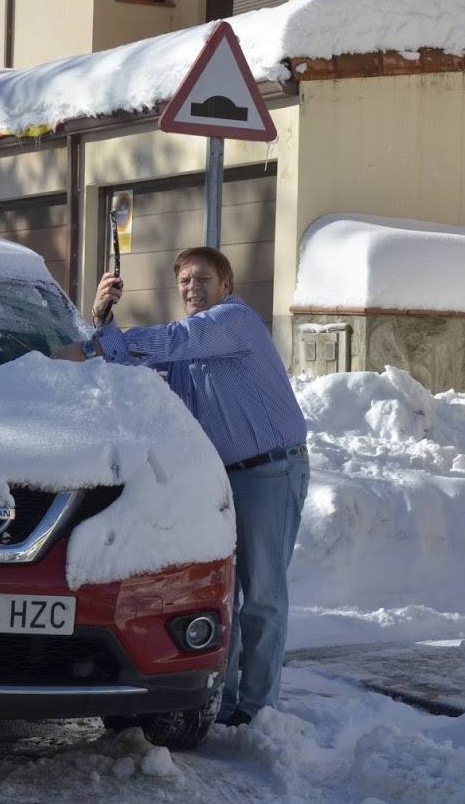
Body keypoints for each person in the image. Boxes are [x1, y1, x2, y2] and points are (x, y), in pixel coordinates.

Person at [51, 247, 309, 727]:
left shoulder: (233, 321)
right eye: (185, 280)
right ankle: (225, 701)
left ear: (226, 285)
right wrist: (100, 319)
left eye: (203, 278)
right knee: (225, 592)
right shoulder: (192, 356)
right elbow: (131, 373)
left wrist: (91, 347)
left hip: (270, 472)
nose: (192, 287)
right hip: (225, 477)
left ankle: (257, 711)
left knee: (264, 595)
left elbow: (171, 339)